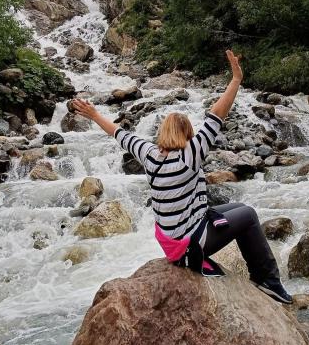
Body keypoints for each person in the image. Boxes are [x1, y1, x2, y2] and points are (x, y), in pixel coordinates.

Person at [71, 49, 292, 304]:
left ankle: (260, 276)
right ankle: (268, 281)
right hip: (190, 245)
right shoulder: (190, 155)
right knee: (249, 215)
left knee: (238, 208)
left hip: (172, 243)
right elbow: (217, 114)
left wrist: (94, 114)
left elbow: (118, 133)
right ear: (188, 134)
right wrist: (236, 80)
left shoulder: (149, 154)